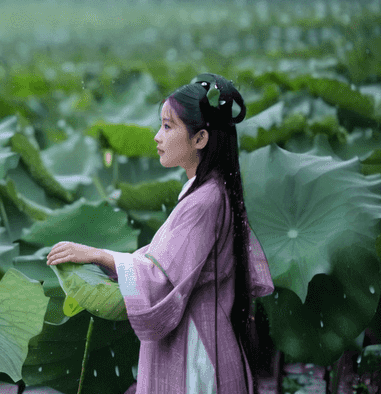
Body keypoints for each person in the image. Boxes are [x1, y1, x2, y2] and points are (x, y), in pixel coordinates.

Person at [46, 73, 274, 394]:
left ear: (200, 139)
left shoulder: (204, 202)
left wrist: (98, 255)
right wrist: (114, 262)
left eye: (168, 127)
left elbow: (159, 279)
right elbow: (166, 263)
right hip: (209, 338)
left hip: (197, 355)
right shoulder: (209, 191)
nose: (157, 137)